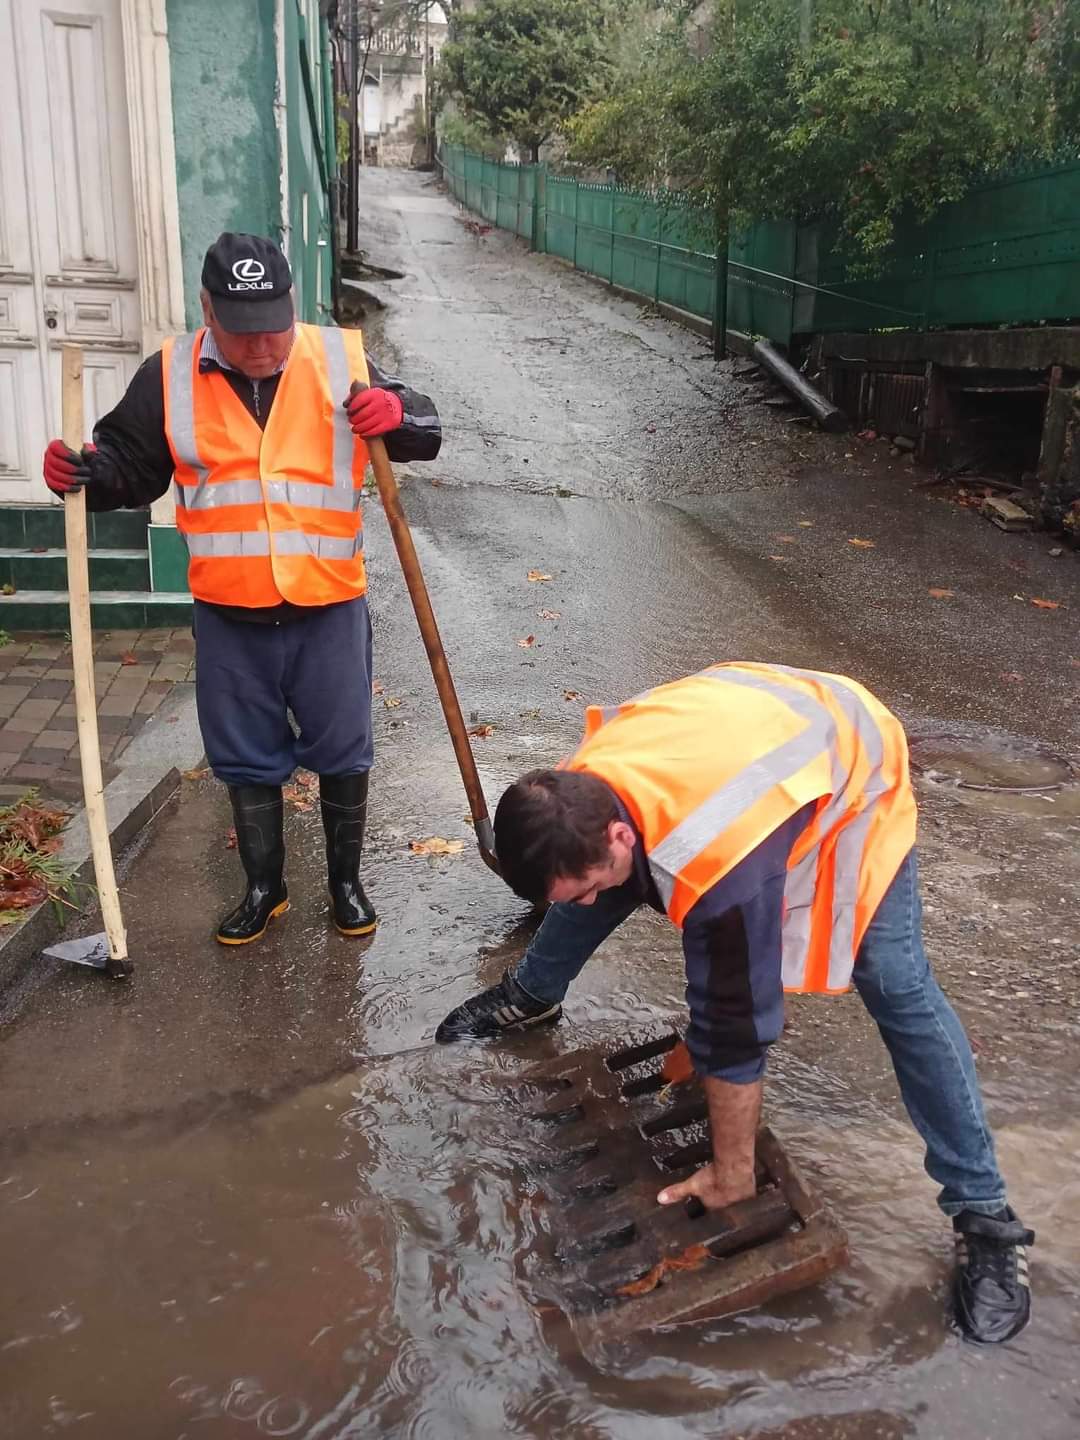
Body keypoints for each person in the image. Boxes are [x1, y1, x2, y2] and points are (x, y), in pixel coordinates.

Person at [436, 662, 1034, 1345]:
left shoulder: (718, 871)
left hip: (852, 767)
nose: (589, 900)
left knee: (896, 984)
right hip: (751, 737)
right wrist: (588, 887)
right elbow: (600, 878)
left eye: (591, 879)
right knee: (597, 887)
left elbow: (735, 1029)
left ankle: (985, 1215)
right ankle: (532, 995)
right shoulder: (582, 788)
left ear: (620, 834)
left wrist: (730, 1172)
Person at [43, 232, 442, 946]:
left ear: (292, 306)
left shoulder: (337, 359)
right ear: (208, 310)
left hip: (327, 604)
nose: (262, 348)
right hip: (230, 614)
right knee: (243, 753)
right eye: (242, 332)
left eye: (274, 328)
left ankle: (345, 884)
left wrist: (399, 417)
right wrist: (83, 474)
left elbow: (422, 425)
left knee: (343, 747)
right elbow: (130, 467)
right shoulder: (168, 375)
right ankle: (265, 887)